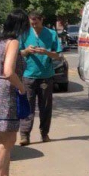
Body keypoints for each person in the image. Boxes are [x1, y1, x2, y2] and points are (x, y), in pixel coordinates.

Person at [0, 9, 30, 176]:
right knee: (7, 141)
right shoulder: (13, 42)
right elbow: (8, 71)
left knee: (7, 139)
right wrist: (22, 88)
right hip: (7, 92)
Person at [18, 11, 63, 146]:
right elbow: (18, 53)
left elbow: (58, 55)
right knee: (28, 106)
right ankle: (25, 135)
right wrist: (26, 51)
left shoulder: (52, 34)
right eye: (32, 23)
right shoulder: (24, 33)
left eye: (36, 23)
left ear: (41, 20)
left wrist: (47, 52)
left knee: (45, 107)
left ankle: (44, 133)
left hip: (46, 76)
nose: (34, 25)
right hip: (28, 75)